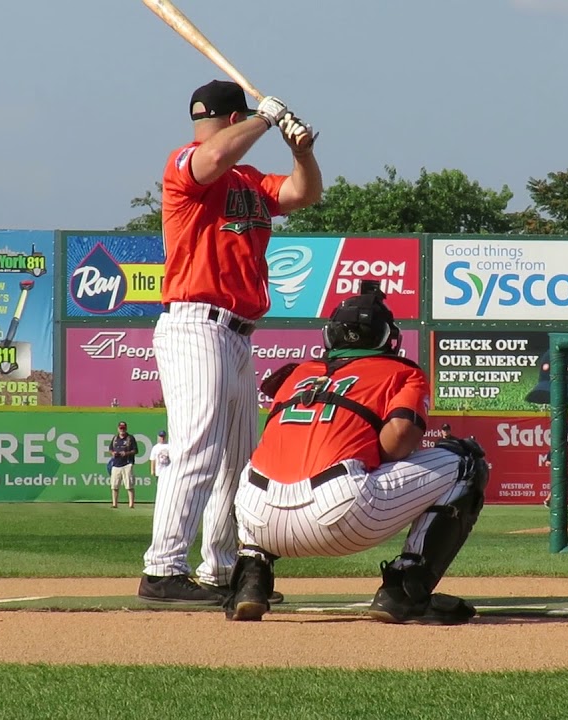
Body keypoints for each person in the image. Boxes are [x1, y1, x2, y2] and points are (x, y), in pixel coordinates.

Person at [138, 79, 322, 604]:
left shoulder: (250, 180)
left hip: (239, 332)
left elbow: (304, 194)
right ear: (238, 116)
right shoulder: (188, 163)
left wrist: (300, 152)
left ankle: (220, 569)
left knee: (238, 460)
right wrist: (265, 119)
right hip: (195, 322)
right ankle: (163, 568)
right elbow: (212, 154)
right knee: (198, 448)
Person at [221, 282, 489, 624]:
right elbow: (398, 444)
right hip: (340, 511)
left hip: (258, 517)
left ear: (329, 336)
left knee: (256, 468)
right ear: (387, 337)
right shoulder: (402, 371)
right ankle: (404, 590)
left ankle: (251, 577)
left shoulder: (296, 374)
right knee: (466, 461)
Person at [109, 422, 138, 509]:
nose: (122, 430)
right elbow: (110, 449)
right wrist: (113, 453)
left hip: (127, 464)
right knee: (114, 485)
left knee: (129, 485)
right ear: (118, 428)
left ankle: (131, 504)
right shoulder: (115, 438)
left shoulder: (130, 438)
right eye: (121, 428)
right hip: (116, 464)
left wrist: (126, 453)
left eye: (123, 428)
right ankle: (114, 504)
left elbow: (135, 450)